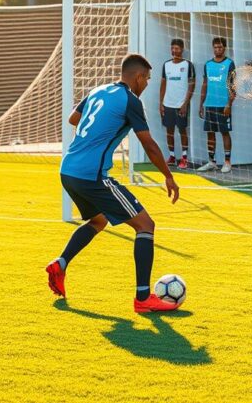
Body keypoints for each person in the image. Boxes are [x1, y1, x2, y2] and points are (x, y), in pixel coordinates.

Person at [46, 54, 181, 313]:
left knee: (99, 220)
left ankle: (60, 264)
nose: (147, 84)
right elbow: (149, 144)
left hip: (68, 170)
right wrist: (168, 176)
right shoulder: (130, 101)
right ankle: (143, 299)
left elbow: (74, 119)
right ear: (139, 77)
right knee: (145, 225)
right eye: (148, 79)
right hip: (91, 175)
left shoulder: (98, 90)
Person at [198, 37, 236, 173]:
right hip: (209, 104)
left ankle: (227, 162)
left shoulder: (230, 64)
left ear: (224, 48)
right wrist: (201, 104)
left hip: (223, 105)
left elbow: (233, 86)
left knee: (224, 132)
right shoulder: (208, 64)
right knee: (210, 133)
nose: (217, 49)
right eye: (215, 47)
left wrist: (229, 104)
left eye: (220, 47)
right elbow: (205, 84)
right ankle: (211, 162)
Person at [159, 38, 195, 169]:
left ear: (182, 50)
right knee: (169, 131)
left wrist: (186, 103)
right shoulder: (166, 65)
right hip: (168, 104)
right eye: (172, 48)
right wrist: (161, 103)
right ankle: (172, 156)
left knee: (182, 130)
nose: (174, 51)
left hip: (181, 104)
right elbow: (163, 84)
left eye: (177, 48)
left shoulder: (188, 65)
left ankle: (184, 158)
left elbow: (192, 85)